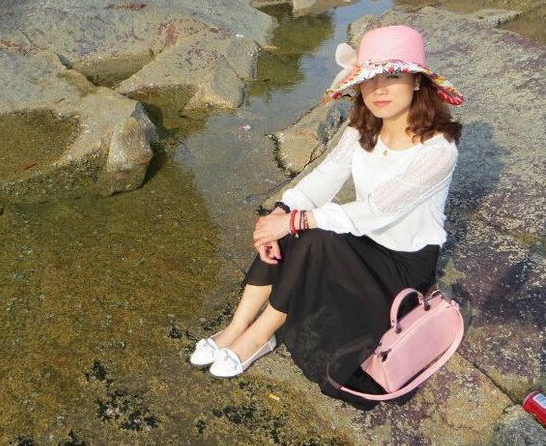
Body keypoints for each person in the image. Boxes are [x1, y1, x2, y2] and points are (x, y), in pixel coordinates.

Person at [189, 24, 464, 409]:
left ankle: (260, 337)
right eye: (369, 79)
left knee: (313, 235)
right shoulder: (364, 128)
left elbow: (377, 209)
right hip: (362, 242)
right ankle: (237, 326)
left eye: (392, 76)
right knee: (291, 226)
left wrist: (297, 222)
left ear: (417, 81)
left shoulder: (438, 149)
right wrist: (283, 213)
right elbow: (326, 175)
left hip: (401, 266)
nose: (379, 89)